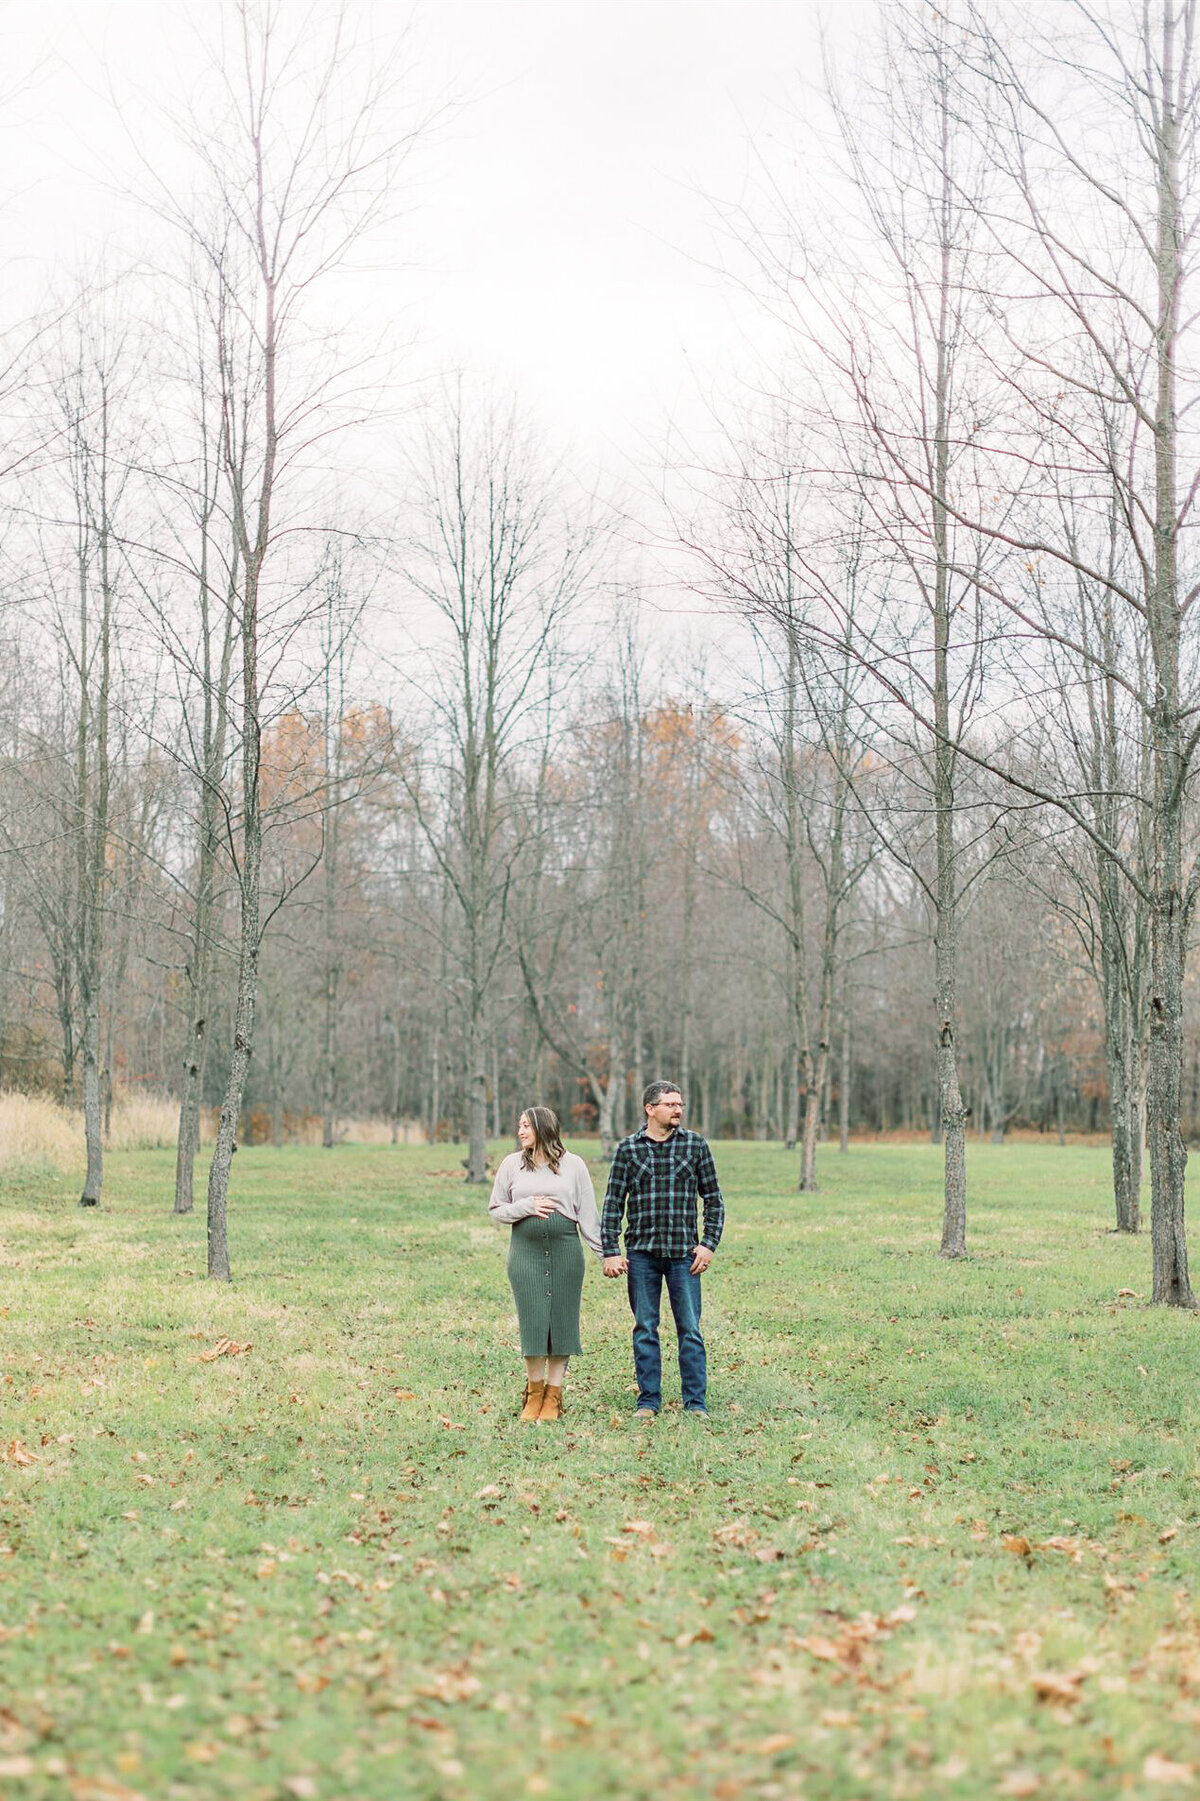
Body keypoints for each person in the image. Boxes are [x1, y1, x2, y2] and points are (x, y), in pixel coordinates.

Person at [601, 1080, 724, 1418]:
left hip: (685, 1255)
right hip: (642, 1254)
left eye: (680, 1104)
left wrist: (708, 1245)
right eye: (670, 1104)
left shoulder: (695, 1146)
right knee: (645, 1328)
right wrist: (610, 1250)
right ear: (650, 1108)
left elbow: (713, 1200)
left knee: (691, 1329)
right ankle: (648, 1401)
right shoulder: (628, 1149)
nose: (678, 1110)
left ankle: (695, 1403)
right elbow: (613, 1203)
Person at [488, 1106, 602, 1422]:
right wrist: (525, 1207)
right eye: (519, 1125)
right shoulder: (511, 1165)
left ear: (543, 1128)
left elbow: (589, 1216)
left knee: (562, 1323)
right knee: (534, 1322)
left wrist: (607, 1255)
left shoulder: (574, 1165)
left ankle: (554, 1395)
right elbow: (496, 1209)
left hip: (566, 1253)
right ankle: (534, 1393)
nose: (520, 1130)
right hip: (525, 1254)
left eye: (526, 1125)